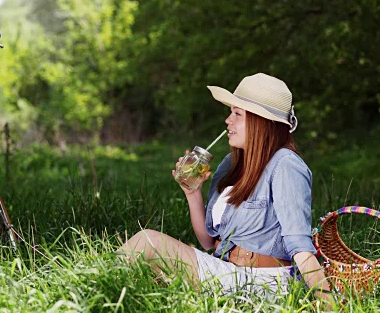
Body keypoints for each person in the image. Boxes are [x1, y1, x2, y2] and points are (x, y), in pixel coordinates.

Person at [118, 73, 332, 303]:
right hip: (225, 269)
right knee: (145, 273)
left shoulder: (285, 165)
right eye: (230, 112)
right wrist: (192, 193)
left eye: (237, 114)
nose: (228, 120)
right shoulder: (231, 164)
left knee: (148, 241)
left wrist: (330, 305)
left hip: (263, 283)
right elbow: (208, 242)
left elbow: (301, 249)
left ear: (261, 121)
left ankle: (91, 282)